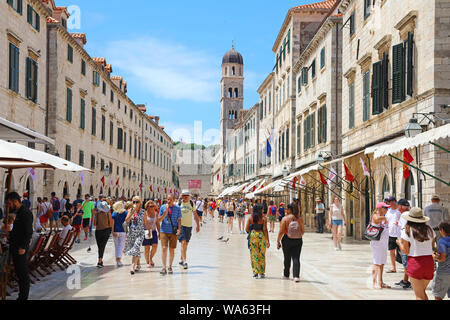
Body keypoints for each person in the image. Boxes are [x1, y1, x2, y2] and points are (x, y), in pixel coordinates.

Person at [398, 207, 435, 300]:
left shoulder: (407, 230)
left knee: (419, 295)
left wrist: (399, 243)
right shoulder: (429, 229)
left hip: (415, 262)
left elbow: (405, 251)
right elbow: (431, 246)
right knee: (422, 293)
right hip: (429, 262)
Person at [5, 192, 33, 300]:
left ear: (15, 201)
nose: (9, 205)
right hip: (15, 246)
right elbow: (18, 231)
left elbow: (28, 232)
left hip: (20, 248)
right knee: (19, 273)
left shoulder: (25, 213)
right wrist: (10, 233)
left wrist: (23, 247)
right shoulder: (19, 212)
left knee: (23, 274)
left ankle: (23, 297)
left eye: (9, 203)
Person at [277, 204, 304, 282]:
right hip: (298, 240)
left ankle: (286, 274)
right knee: (296, 257)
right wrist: (297, 235)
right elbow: (302, 231)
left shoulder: (285, 219)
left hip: (287, 239)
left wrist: (278, 241)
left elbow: (281, 231)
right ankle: (296, 276)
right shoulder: (299, 219)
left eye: (287, 209)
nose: (285, 210)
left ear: (289, 209)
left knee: (287, 257)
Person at [158, 194, 182, 275]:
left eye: (170, 199)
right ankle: (164, 267)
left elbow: (179, 220)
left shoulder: (177, 208)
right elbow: (159, 220)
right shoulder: (162, 207)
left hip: (173, 231)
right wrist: (165, 213)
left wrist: (179, 229)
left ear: (174, 200)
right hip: (164, 230)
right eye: (167, 199)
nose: (169, 201)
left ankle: (170, 266)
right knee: (164, 248)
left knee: (172, 249)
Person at [370, 202, 391, 289]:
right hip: (377, 244)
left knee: (382, 263)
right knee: (377, 262)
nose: (387, 210)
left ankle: (381, 282)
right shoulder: (376, 215)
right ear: (379, 208)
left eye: (387, 208)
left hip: (383, 243)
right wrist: (384, 218)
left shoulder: (383, 217)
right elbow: (376, 219)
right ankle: (374, 283)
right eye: (385, 208)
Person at [246, 199, 269, 279]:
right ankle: (261, 272)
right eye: (262, 209)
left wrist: (252, 229)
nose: (263, 210)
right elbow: (265, 230)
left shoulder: (250, 218)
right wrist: (267, 241)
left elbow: (246, 229)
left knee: (254, 254)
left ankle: (255, 272)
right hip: (261, 235)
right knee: (262, 254)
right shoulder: (264, 218)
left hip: (253, 236)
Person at [124, 196, 146, 274]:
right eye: (133, 202)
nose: (135, 204)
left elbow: (145, 223)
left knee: (136, 247)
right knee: (136, 249)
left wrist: (149, 231)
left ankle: (132, 267)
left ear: (140, 203)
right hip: (132, 233)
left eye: (137, 202)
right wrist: (132, 213)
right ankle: (138, 264)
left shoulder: (143, 211)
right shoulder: (130, 210)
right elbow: (126, 220)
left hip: (140, 233)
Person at [178, 190, 200, 269]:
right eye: (184, 195)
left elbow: (195, 215)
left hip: (189, 226)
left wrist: (198, 225)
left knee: (186, 244)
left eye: (187, 195)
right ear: (182, 196)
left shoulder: (192, 204)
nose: (186, 197)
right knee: (183, 243)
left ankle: (181, 259)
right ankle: (185, 261)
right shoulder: (179, 204)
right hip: (181, 226)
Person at [395, 199, 412, 289]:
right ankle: (405, 280)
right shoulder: (409, 214)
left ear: (401, 206)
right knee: (406, 261)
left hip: (405, 241)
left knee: (406, 261)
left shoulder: (404, 215)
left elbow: (406, 229)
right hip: (408, 240)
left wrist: (401, 243)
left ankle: (407, 281)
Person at [432, 222, 450, 300]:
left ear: (442, 230)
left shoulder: (442, 241)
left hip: (444, 272)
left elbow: (442, 258)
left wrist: (434, 257)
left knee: (438, 296)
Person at [384, 196, 401, 273]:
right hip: (390, 234)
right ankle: (393, 267)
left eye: (389, 201)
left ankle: (406, 266)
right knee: (391, 251)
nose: (388, 203)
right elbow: (386, 221)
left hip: (399, 234)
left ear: (394, 201)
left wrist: (399, 223)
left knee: (402, 251)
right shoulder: (388, 211)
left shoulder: (399, 211)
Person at [94, 201, 113, 268]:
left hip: (98, 231)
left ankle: (100, 260)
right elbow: (111, 224)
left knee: (100, 246)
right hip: (106, 231)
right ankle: (100, 261)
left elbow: (94, 224)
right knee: (102, 246)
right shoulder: (108, 214)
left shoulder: (97, 214)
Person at [143, 200, 160, 268]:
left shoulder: (156, 213)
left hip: (153, 231)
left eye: (153, 206)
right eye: (150, 206)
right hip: (146, 231)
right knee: (147, 247)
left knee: (155, 246)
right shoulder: (145, 213)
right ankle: (147, 262)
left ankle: (150, 258)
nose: (152, 207)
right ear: (147, 207)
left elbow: (158, 223)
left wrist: (159, 232)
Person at [111, 201, 127, 267]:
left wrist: (112, 232)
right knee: (121, 246)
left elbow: (112, 224)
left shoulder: (114, 214)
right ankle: (118, 259)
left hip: (115, 231)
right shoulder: (126, 213)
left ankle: (117, 259)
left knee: (116, 246)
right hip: (123, 231)